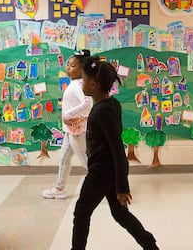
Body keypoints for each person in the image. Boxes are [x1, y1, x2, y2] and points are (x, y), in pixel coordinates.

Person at [71, 56, 158, 250]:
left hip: (101, 172)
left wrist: (122, 185)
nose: (82, 83)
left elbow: (118, 149)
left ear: (94, 84)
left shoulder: (102, 111)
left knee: (81, 212)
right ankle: (149, 244)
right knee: (119, 214)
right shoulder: (111, 104)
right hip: (107, 171)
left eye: (83, 80)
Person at [42, 49, 92, 199]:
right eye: (68, 65)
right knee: (64, 158)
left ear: (82, 69)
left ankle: (111, 188)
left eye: (72, 65)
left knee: (87, 162)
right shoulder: (75, 83)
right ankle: (59, 189)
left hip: (77, 131)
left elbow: (88, 102)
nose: (68, 68)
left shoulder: (78, 85)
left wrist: (67, 116)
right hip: (71, 130)